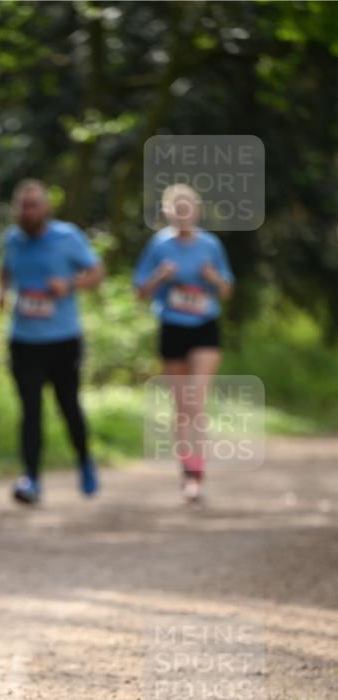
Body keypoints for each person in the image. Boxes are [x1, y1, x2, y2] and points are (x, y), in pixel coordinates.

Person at [0, 179, 104, 504]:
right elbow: (6, 271)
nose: (28, 211)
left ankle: (84, 461)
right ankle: (31, 478)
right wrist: (2, 291)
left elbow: (97, 273)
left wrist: (70, 284)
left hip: (62, 340)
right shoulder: (12, 239)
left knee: (68, 406)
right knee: (31, 411)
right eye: (23, 205)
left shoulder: (68, 236)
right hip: (24, 340)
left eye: (34, 205)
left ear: (47, 208)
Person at [134, 184, 234, 504]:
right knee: (181, 407)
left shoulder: (211, 245)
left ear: (197, 210)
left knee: (195, 402)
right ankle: (186, 471)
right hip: (172, 327)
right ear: (166, 212)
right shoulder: (159, 245)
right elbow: (140, 290)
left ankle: (198, 476)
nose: (181, 212)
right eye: (175, 207)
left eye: (186, 206)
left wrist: (212, 277)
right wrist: (160, 276)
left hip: (205, 326)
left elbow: (227, 289)